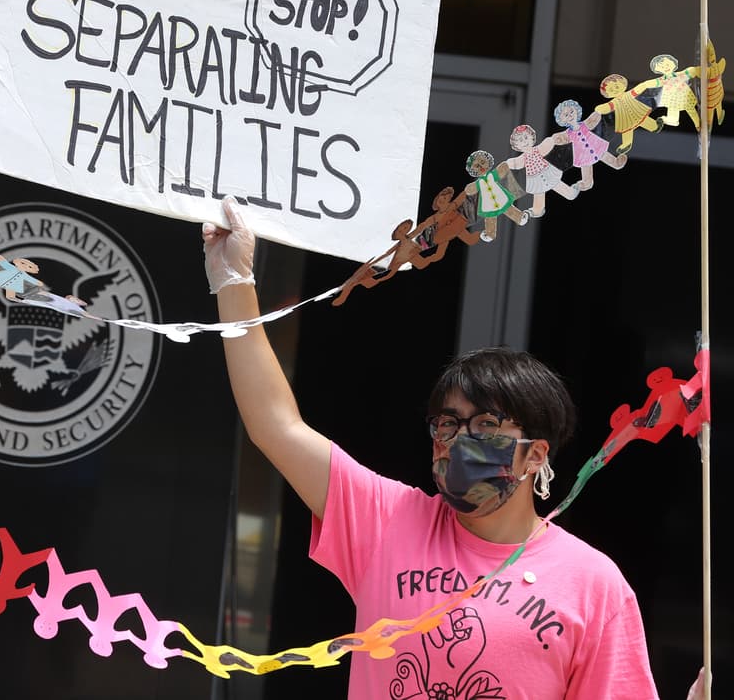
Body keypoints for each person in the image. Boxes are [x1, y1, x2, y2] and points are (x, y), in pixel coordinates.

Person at [201, 197, 663, 699]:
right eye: (448, 425)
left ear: (536, 455)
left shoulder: (594, 585)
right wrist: (234, 282)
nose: (460, 441)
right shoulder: (390, 521)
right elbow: (276, 426)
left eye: (487, 425)